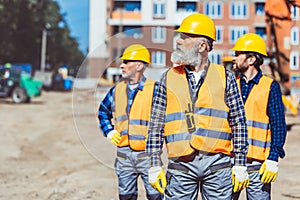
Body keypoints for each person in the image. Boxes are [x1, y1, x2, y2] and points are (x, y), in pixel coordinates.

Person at [146, 13, 249, 199]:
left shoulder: (226, 77)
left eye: (185, 37)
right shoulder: (167, 77)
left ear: (202, 46)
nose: (178, 41)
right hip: (180, 165)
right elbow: (156, 124)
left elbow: (238, 122)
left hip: (218, 165)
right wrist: (154, 164)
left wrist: (240, 163)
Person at [98, 44, 163, 200]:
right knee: (126, 197)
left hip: (148, 156)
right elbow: (102, 112)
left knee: (156, 196)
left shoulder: (155, 89)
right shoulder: (117, 90)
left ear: (139, 65)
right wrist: (109, 131)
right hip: (124, 156)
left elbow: (167, 121)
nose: (121, 65)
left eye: (126, 62)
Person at [231, 33, 287, 200]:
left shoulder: (270, 87)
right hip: (231, 161)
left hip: (258, 164)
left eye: (238, 55)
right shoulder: (231, 84)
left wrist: (273, 158)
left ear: (251, 60)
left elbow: (278, 124)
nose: (234, 59)